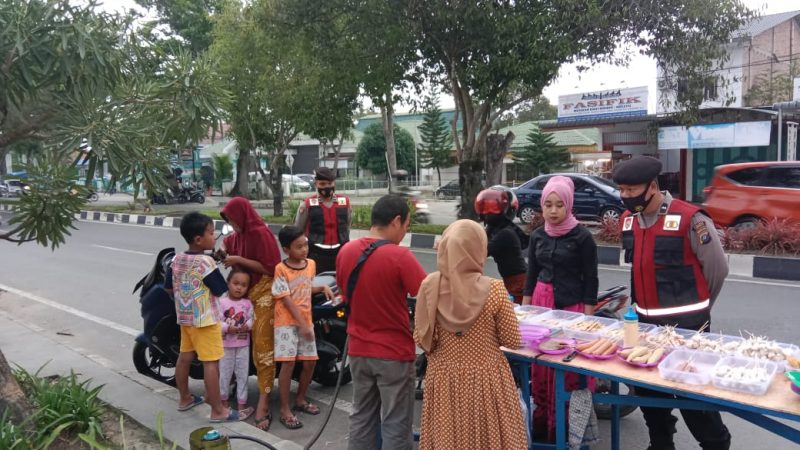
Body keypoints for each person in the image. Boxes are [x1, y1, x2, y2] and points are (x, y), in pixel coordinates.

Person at [613, 156, 730, 450]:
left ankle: (717, 444)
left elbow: (717, 269)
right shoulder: (629, 220)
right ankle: (661, 444)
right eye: (622, 190)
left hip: (687, 330)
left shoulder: (691, 219)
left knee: (693, 398)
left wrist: (699, 310)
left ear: (652, 187)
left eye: (631, 190)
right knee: (650, 395)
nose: (625, 196)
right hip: (646, 328)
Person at [414, 219, 527, 450]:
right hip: (486, 381)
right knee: (488, 439)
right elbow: (512, 340)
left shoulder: (429, 286)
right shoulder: (494, 289)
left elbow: (422, 339)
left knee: (448, 439)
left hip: (444, 379)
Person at [335, 195, 427, 450]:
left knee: (362, 417)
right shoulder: (399, 256)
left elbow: (344, 293)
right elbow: (427, 294)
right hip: (393, 354)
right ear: (396, 221)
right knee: (396, 422)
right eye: (406, 225)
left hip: (358, 351)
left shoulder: (346, 251)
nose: (405, 231)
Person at [521, 176, 599, 442]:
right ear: (542, 206)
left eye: (559, 205)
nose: (553, 211)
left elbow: (591, 278)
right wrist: (525, 311)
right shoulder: (537, 236)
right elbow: (531, 274)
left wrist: (588, 319)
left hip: (572, 309)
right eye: (548, 205)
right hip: (541, 306)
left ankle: (566, 431)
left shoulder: (582, 237)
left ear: (569, 205)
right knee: (542, 365)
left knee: (567, 369)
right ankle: (543, 429)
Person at [166, 212, 238, 422]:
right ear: (199, 239)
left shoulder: (177, 259)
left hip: (185, 319)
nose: (214, 236)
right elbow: (220, 289)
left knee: (184, 357)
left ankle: (185, 398)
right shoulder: (206, 262)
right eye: (211, 233)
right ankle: (217, 410)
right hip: (206, 321)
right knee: (211, 363)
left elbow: (169, 288)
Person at [221, 197, 281, 431]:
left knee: (263, 350)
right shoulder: (238, 235)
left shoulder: (260, 233)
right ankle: (229, 388)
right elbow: (228, 244)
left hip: (264, 292)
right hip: (243, 294)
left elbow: (271, 268)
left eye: (232, 219)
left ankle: (264, 403)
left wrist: (238, 260)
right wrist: (223, 253)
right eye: (228, 221)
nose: (232, 224)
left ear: (242, 216)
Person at [272, 226, 335, 430]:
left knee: (310, 363)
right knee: (288, 364)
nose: (304, 249)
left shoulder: (311, 264)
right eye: (299, 247)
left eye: (305, 245)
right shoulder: (280, 269)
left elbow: (305, 287)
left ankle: (300, 399)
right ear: (286, 249)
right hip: (286, 323)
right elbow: (287, 299)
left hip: (305, 321)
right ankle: (284, 409)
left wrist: (322, 287)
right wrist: (303, 325)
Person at [474, 186, 528, 303]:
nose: (487, 215)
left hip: (519, 283)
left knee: (515, 312)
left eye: (492, 211)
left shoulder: (505, 234)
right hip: (512, 281)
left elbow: (480, 252)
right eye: (485, 212)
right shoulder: (497, 230)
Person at [294, 167, 352, 274]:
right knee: (317, 282)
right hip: (316, 254)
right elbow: (298, 230)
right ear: (316, 184)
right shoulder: (307, 204)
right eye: (322, 184)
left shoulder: (344, 202)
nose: (327, 187)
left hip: (340, 252)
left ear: (334, 183)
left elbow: (347, 226)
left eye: (330, 183)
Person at [218, 268, 255, 421]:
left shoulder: (248, 303)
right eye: (236, 283)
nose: (239, 287)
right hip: (225, 346)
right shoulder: (221, 302)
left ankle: (241, 405)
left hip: (242, 345)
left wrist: (248, 325)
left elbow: (253, 318)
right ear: (228, 283)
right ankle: (224, 403)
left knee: (242, 375)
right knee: (224, 375)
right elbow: (216, 321)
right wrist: (227, 328)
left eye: (244, 285)